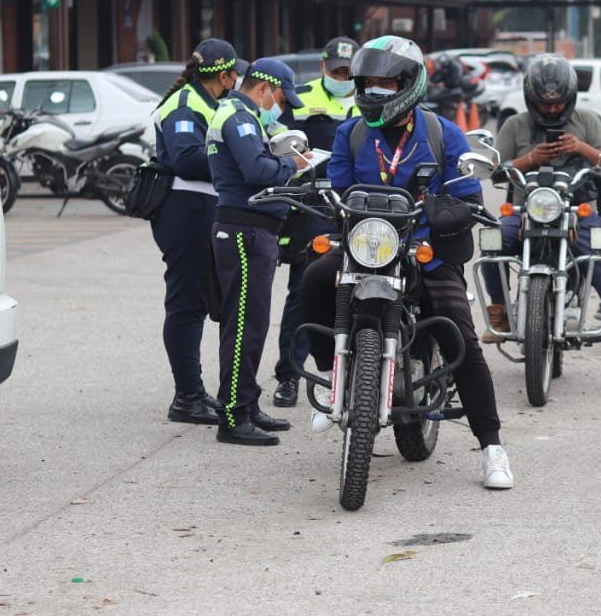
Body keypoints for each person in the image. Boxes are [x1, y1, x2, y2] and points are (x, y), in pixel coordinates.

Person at [300, 35, 514, 489]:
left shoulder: (441, 132)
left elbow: (466, 188)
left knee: (459, 331)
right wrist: (318, 199)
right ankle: (330, 377)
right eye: (368, 84)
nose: (374, 93)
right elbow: (336, 189)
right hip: (365, 245)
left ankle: (492, 447)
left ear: (408, 84)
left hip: (422, 251)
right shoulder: (352, 132)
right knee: (314, 280)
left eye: (384, 84)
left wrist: (452, 206)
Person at [483, 54, 601, 395]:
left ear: (571, 97)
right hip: (524, 211)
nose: (551, 110)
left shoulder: (587, 120)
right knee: (492, 242)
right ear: (531, 99)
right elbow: (494, 169)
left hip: (579, 213)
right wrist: (531, 159)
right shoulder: (515, 125)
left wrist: (582, 148)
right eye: (544, 105)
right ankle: (499, 309)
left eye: (558, 103)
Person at [206, 57, 311, 446]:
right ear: (264, 89)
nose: (281, 107)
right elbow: (258, 171)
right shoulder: (240, 117)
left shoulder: (240, 114)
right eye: (281, 98)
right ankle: (233, 415)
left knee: (252, 324)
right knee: (244, 328)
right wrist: (295, 163)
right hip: (244, 233)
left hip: (251, 232)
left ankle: (246, 404)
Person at [270, 37, 361, 409]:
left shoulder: (375, 99)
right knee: (304, 290)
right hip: (318, 206)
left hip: (366, 207)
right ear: (323, 67)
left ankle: (361, 366)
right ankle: (289, 376)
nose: (342, 76)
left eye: (348, 71)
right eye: (336, 69)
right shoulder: (302, 98)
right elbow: (274, 139)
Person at [151, 38, 238, 425]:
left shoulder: (209, 101)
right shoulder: (186, 104)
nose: (237, 79)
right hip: (184, 209)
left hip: (202, 207)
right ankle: (187, 396)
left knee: (202, 303)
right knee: (186, 303)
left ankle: (196, 391)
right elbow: (186, 158)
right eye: (235, 73)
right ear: (223, 74)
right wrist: (236, 156)